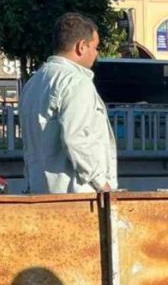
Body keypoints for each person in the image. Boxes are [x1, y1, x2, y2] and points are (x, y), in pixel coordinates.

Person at [20, 13, 117, 194]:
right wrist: (101, 183)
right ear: (81, 47)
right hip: (75, 195)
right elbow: (76, 139)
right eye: (95, 47)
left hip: (39, 190)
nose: (96, 54)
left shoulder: (34, 82)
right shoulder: (77, 82)